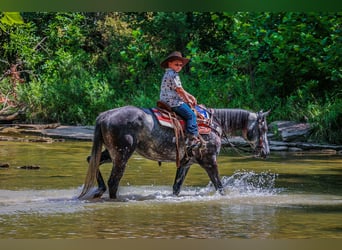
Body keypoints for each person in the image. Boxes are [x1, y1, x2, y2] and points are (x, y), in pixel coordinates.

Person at [159, 51, 203, 147]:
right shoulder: (173, 74)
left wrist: (190, 96)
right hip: (173, 102)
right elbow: (179, 90)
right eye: (176, 64)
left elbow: (179, 89)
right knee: (191, 115)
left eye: (180, 65)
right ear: (169, 64)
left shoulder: (169, 73)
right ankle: (192, 138)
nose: (179, 67)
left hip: (166, 100)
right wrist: (188, 100)